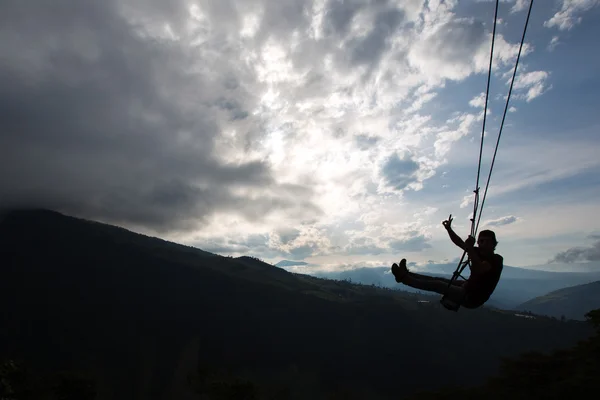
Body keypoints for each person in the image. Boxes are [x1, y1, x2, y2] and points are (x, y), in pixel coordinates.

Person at [391, 215, 503, 309]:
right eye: (480, 241)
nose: (481, 244)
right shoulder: (477, 252)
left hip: (471, 297)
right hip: (468, 287)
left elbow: (479, 269)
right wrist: (449, 229)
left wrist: (470, 248)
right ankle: (407, 273)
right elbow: (459, 242)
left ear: (493, 244)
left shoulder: (496, 260)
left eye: (485, 241)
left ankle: (404, 278)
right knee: (438, 280)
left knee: (437, 285)